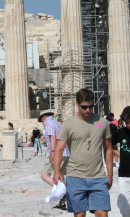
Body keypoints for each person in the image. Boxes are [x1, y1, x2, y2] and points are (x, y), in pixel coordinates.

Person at [53, 88, 113, 217]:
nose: (88, 110)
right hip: (75, 176)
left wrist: (110, 174)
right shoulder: (68, 124)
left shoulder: (102, 123)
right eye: (84, 107)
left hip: (98, 176)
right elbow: (58, 149)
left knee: (102, 214)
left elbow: (108, 149)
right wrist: (57, 171)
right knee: (79, 215)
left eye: (91, 106)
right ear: (77, 104)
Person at [39, 109, 71, 210]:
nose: (42, 123)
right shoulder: (58, 123)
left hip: (57, 153)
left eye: (41, 121)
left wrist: (52, 152)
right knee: (61, 176)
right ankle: (64, 202)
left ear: (44, 117)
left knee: (45, 175)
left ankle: (64, 192)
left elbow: (53, 138)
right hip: (65, 152)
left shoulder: (49, 123)